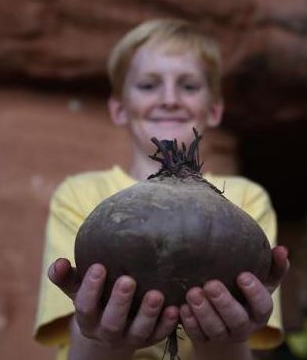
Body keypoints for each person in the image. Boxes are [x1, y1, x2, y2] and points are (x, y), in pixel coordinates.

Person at [34, 18, 290, 360]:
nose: (169, 99)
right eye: (148, 85)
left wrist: (225, 339)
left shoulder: (247, 199)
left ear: (214, 110)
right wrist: (109, 340)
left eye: (188, 86)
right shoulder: (79, 194)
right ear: (119, 109)